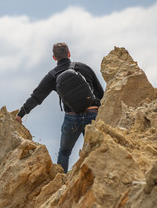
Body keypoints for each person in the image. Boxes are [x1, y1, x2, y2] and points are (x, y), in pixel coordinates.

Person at [16, 42, 104, 173]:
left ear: (54, 58)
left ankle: (61, 181)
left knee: (64, 152)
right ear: (69, 53)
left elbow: (36, 97)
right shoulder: (84, 67)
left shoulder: (52, 75)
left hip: (72, 118)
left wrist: (20, 114)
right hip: (93, 115)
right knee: (97, 148)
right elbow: (100, 93)